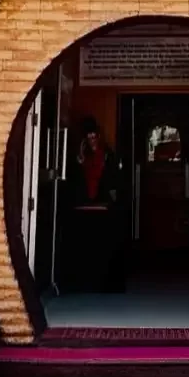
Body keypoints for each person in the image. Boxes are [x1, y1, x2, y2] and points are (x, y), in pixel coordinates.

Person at [63, 117, 122, 292]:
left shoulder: (107, 154)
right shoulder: (80, 156)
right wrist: (80, 160)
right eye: (89, 138)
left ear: (98, 136)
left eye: (94, 137)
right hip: (83, 204)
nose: (92, 141)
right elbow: (73, 179)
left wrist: (113, 201)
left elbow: (112, 180)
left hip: (102, 203)